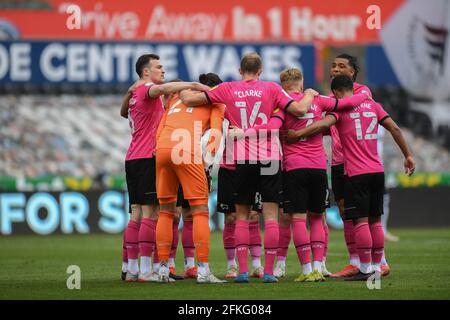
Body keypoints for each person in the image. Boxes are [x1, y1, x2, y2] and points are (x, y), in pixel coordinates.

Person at [181, 52, 319, 283]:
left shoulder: (228, 89)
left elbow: (191, 100)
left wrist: (190, 88)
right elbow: (299, 110)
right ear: (261, 70)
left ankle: (242, 271)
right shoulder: (272, 89)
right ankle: (267, 272)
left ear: (239, 70)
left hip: (242, 158)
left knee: (242, 216)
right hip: (269, 156)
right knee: (271, 217)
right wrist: (309, 94)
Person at [287, 75, 415, 280]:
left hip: (356, 172)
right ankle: (377, 265)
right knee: (376, 221)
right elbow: (395, 128)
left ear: (336, 93)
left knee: (361, 221)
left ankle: (365, 269)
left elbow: (320, 125)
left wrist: (296, 135)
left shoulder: (341, 109)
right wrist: (408, 155)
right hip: (377, 170)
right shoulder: (374, 106)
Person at [120, 53, 210, 282]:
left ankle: (130, 268)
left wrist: (129, 91)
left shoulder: (134, 93)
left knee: (137, 214)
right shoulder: (148, 89)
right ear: (146, 71)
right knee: (154, 213)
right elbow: (162, 89)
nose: (163, 70)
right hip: (149, 155)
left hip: (133, 157)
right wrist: (192, 84)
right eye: (158, 67)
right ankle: (146, 270)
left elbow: (123, 113)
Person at [154, 73, 226, 284]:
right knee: (200, 211)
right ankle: (203, 270)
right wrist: (204, 163)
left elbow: (160, 127)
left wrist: (160, 152)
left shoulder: (177, 97)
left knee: (166, 212)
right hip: (186, 150)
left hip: (162, 149)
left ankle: (163, 269)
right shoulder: (216, 102)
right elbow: (215, 134)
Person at [324, 53, 391, 277]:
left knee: (366, 216)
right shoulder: (332, 97)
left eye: (342, 66)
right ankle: (355, 262)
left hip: (357, 163)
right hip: (338, 160)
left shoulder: (362, 93)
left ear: (352, 72)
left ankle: (379, 261)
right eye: (333, 65)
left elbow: (344, 106)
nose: (336, 69)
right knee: (346, 213)